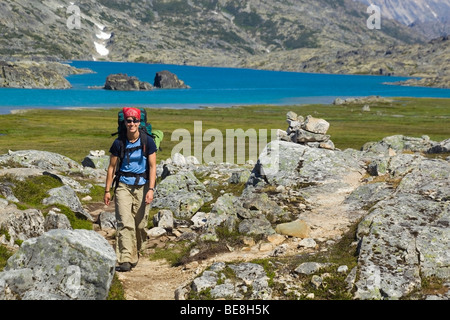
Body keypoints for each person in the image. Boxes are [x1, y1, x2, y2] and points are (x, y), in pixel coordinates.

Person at [104, 107, 157, 272]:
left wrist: (151, 189)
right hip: (123, 187)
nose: (131, 123)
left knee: (140, 225)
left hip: (142, 186)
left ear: (139, 122)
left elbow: (153, 166)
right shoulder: (118, 142)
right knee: (125, 223)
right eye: (128, 120)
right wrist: (107, 190)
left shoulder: (147, 141)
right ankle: (126, 258)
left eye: (134, 120)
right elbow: (111, 168)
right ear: (124, 122)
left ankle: (137, 250)